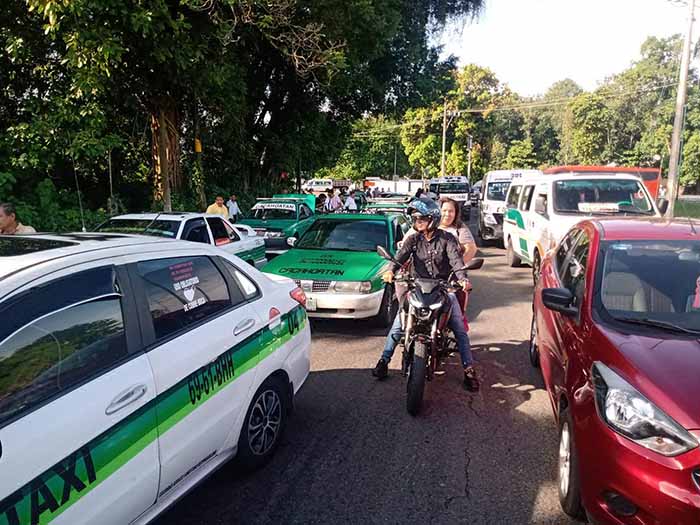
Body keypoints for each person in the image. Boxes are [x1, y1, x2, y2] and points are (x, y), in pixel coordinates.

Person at [372, 198, 479, 391]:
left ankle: (469, 370)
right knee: (399, 324)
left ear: (433, 219)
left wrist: (462, 279)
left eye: (421, 218)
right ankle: (384, 361)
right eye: (415, 218)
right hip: (418, 288)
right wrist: (390, 271)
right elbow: (399, 258)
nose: (417, 222)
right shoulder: (413, 239)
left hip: (443, 289)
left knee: (459, 329)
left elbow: (456, 261)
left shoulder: (448, 239)